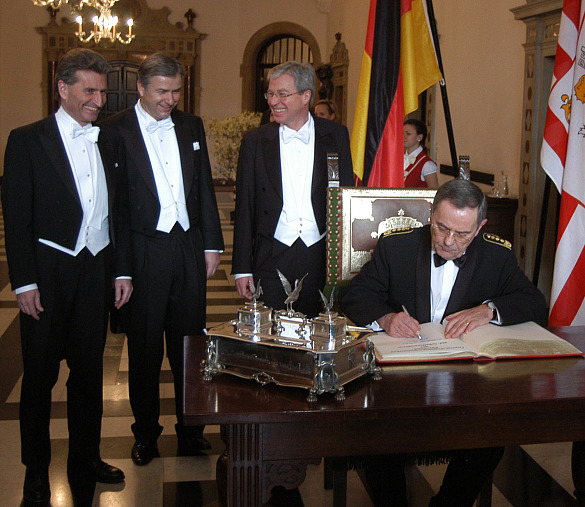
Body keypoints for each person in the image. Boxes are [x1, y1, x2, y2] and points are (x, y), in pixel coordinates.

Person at [341, 179, 547, 506]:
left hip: (465, 383)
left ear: (480, 227)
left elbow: (535, 302)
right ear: (431, 213)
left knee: (490, 438)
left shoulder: (497, 255)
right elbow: (353, 295)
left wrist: (489, 310)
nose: (448, 241)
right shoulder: (398, 247)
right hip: (402, 381)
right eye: (441, 228)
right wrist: (385, 318)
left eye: (462, 234)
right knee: (379, 435)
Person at [2, 48, 132, 504]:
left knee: (87, 373)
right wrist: (24, 282)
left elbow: (118, 212)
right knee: (38, 377)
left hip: (95, 269)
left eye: (102, 91)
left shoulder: (109, 140)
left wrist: (121, 270)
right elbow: (16, 218)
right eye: (89, 90)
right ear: (63, 89)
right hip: (49, 271)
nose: (98, 99)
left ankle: (86, 459)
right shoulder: (27, 140)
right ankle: (35, 470)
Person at [101, 53, 224, 466]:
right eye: (162, 92)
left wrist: (212, 244)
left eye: (175, 91)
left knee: (191, 348)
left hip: (187, 247)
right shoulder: (114, 130)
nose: (170, 100)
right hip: (143, 251)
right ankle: (146, 435)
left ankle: (191, 432)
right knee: (146, 351)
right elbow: (112, 205)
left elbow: (203, 186)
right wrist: (121, 267)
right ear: (141, 88)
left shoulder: (191, 125)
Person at [233, 61, 354, 318]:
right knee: (273, 337)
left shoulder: (336, 135)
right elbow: (245, 206)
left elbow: (345, 197)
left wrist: (344, 263)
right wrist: (242, 267)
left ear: (306, 96)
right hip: (271, 252)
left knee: (316, 335)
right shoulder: (255, 141)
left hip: (319, 252)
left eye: (282, 94)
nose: (273, 101)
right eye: (271, 94)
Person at [404, 118, 439, 188]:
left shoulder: (427, 164)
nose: (403, 137)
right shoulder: (398, 159)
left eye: (408, 134)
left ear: (419, 137)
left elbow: (434, 193)